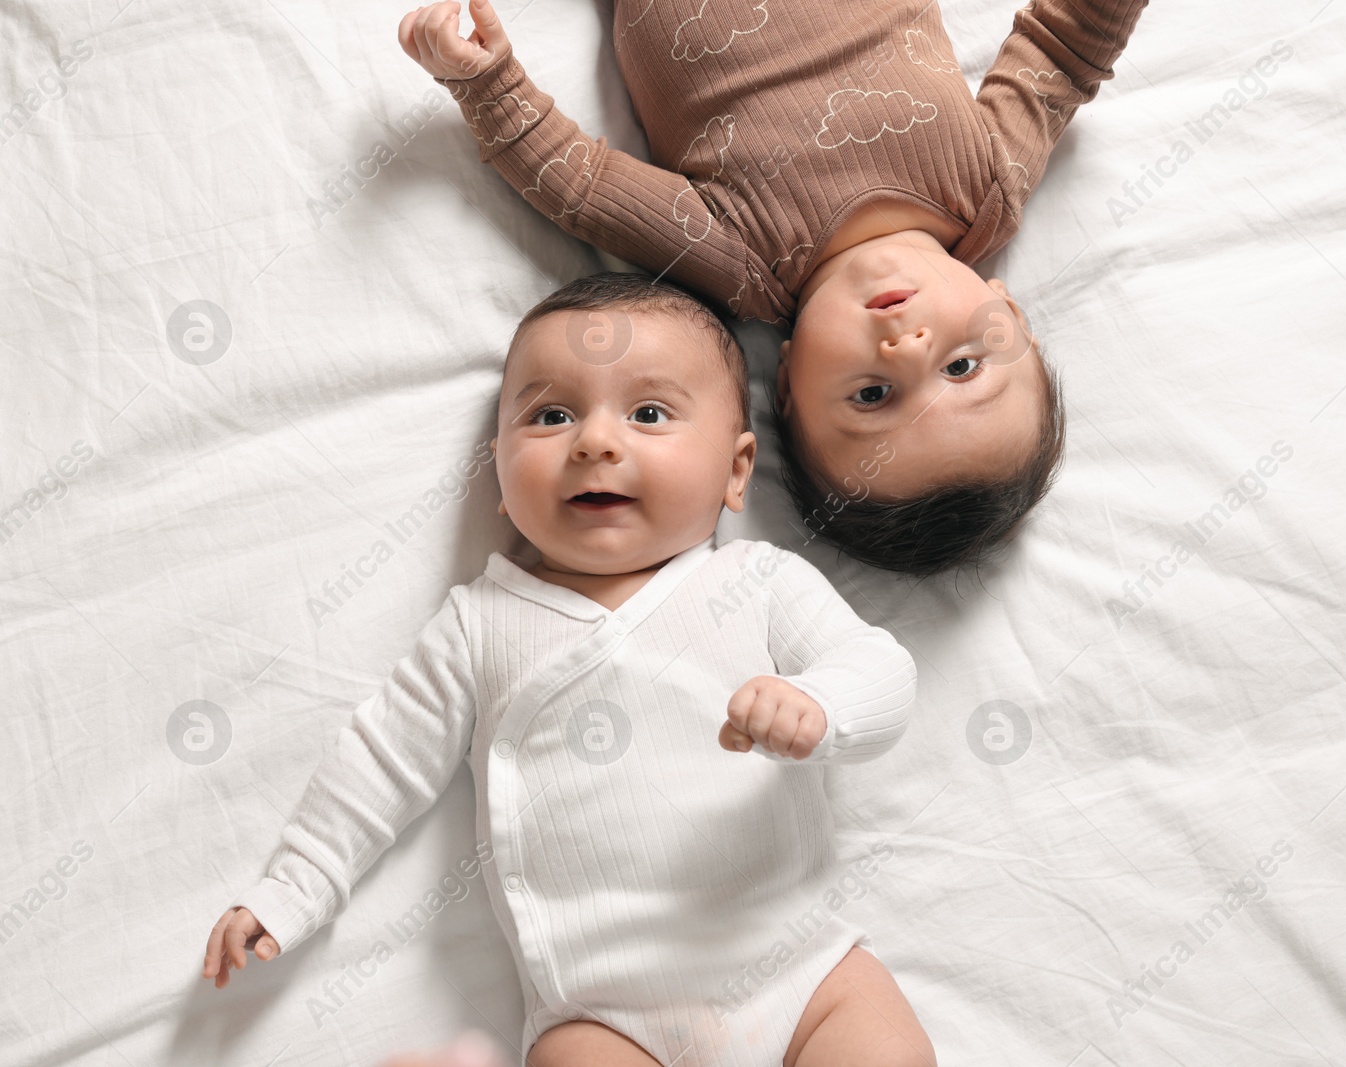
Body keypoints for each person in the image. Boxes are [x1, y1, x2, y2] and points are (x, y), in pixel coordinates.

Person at [201, 273, 929, 1067]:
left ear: (735, 468)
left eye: (649, 413)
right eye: (551, 415)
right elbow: (378, 762)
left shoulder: (757, 583)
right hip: (606, 1017)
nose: (594, 441)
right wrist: (292, 888)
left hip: (801, 975)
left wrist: (819, 706)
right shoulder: (480, 626)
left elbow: (881, 667)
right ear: (502, 479)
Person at [399, 0, 1148, 575]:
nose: (909, 346)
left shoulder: (739, 261)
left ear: (785, 383)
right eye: (961, 367)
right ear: (1009, 316)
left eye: (872, 395)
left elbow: (586, 188)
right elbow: (1065, 47)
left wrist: (486, 86)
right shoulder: (990, 182)